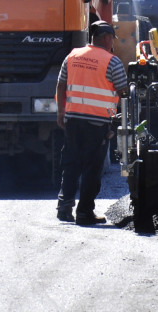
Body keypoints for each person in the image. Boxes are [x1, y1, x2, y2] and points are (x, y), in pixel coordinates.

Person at [55, 20, 129, 225]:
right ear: (106, 38)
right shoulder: (111, 61)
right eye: (112, 39)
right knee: (91, 168)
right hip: (97, 124)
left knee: (70, 164)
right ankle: (85, 212)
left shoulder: (72, 56)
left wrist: (61, 112)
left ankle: (64, 207)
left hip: (72, 119)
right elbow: (123, 92)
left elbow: (61, 84)